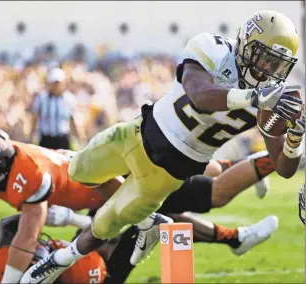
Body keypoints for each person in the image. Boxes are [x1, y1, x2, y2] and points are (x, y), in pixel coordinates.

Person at [20, 10, 305, 282]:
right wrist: (253, 98)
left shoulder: (272, 100)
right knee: (77, 170)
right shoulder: (214, 49)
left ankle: (60, 260)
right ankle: (147, 222)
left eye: (277, 64)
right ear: (245, 42)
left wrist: (294, 141)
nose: (267, 69)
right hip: (137, 135)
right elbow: (199, 95)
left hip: (171, 171)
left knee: (107, 225)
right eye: (263, 57)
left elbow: (284, 166)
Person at [0, 127, 120, 283]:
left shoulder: (28, 171)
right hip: (90, 206)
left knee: (95, 273)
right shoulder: (2, 168)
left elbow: (27, 238)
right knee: (9, 229)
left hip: (114, 199)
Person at [0, 215, 107, 284]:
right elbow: (105, 228)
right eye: (34, 253)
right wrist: (70, 217)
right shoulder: (83, 270)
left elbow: (5, 225)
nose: (38, 245)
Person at [30, 67, 87, 149]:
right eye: (54, 83)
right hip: (46, 139)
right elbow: (34, 119)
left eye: (58, 83)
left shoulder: (69, 99)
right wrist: (31, 137)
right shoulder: (41, 99)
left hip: (62, 139)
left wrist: (81, 140)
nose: (56, 86)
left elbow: (74, 121)